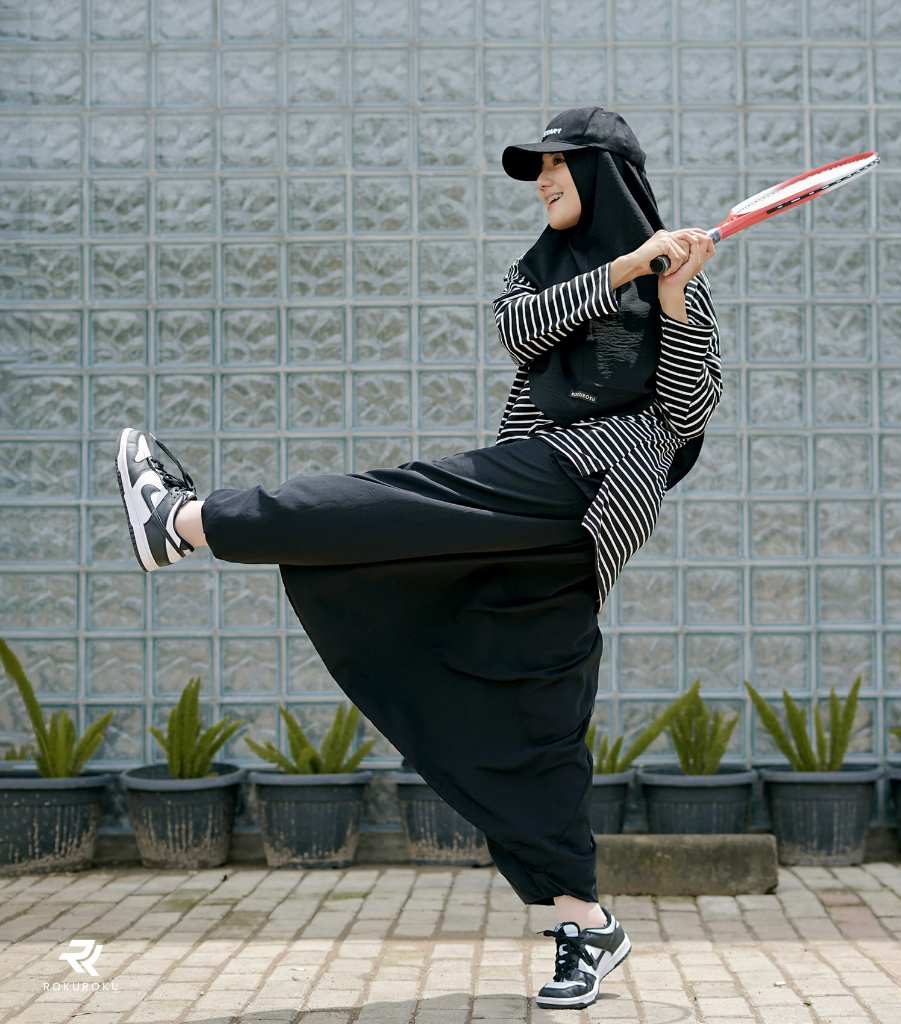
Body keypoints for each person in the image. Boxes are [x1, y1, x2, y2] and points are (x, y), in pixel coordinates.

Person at [113, 105, 720, 1011]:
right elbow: (521, 332)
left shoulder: (681, 285)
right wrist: (628, 269)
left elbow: (686, 415)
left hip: (591, 500)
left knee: (423, 532)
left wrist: (669, 298)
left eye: (559, 165)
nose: (544, 182)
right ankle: (586, 921)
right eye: (538, 169)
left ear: (605, 175)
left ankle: (188, 521)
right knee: (533, 714)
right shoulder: (544, 271)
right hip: (537, 485)